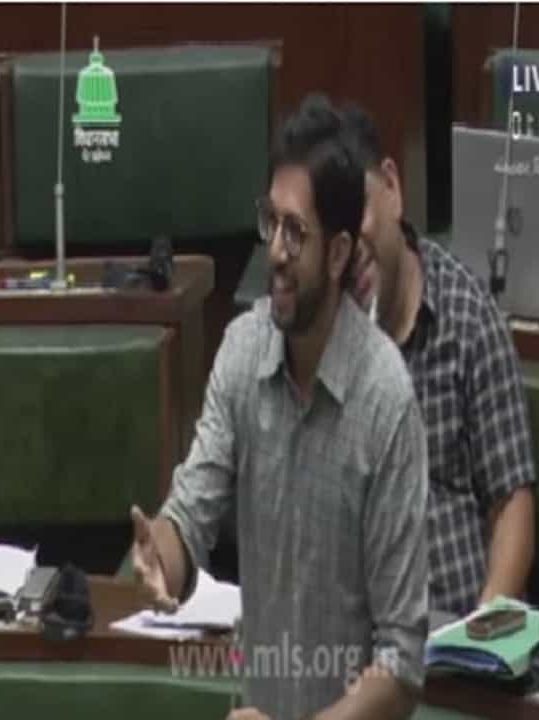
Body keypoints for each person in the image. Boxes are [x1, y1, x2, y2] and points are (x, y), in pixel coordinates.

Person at [129, 94, 429, 720]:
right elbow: (193, 510)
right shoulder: (243, 350)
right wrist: (162, 555)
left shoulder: (386, 400)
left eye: (298, 232)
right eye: (272, 222)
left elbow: (401, 666)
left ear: (340, 254)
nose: (277, 251)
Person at [343, 103, 537, 616]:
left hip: (455, 630)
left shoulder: (468, 318)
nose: (350, 247)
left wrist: (482, 632)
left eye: (356, 213)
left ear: (392, 188)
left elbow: (512, 507)